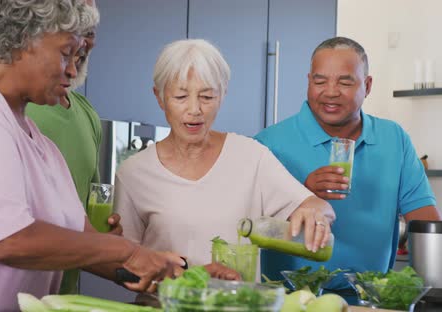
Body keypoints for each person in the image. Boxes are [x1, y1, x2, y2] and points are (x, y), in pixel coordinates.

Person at [0, 1, 185, 310]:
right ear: (25, 38)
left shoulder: (42, 147)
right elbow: (8, 240)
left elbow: (86, 243)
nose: (72, 70)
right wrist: (124, 251)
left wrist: (188, 277)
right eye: (67, 52)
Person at [114, 39, 336, 277]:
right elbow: (123, 263)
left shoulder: (252, 156)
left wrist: (314, 213)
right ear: (159, 97)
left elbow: (317, 206)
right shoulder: (133, 173)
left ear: (222, 95)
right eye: (180, 97)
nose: (195, 109)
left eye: (207, 97)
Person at [254, 37, 441, 292]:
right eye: (320, 81)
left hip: (371, 301)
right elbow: (248, 225)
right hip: (290, 302)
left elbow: (425, 220)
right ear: (308, 82)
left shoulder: (393, 138)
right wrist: (298, 196)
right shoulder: (267, 143)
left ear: (367, 85)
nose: (331, 91)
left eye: (345, 82)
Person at [25, 0, 106, 295]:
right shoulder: (15, 112)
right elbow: (9, 236)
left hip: (65, 296)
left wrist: (106, 238)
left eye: (90, 31)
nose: (83, 43)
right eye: (74, 29)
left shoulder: (87, 114)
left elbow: (84, 217)